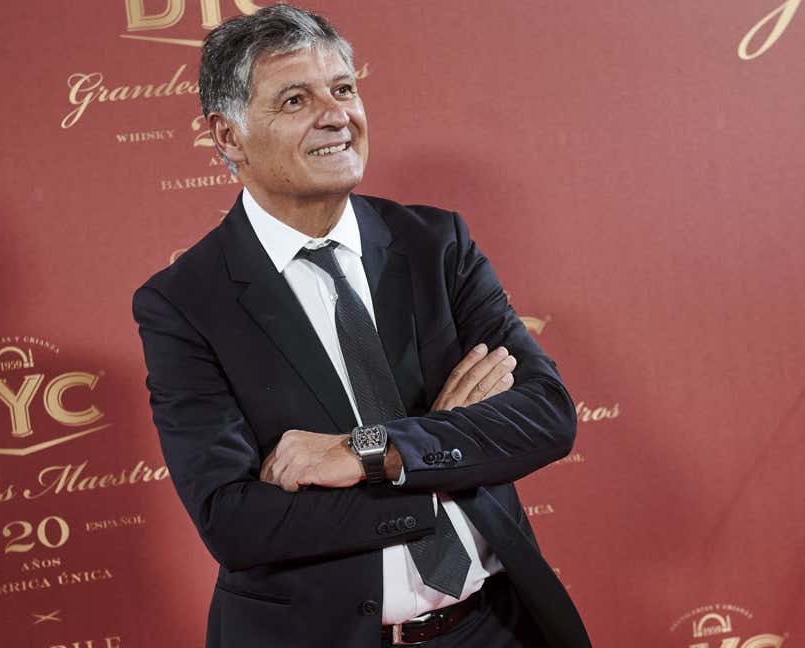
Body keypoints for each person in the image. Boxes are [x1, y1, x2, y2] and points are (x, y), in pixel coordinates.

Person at [132, 5, 591, 647]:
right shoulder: (183, 303)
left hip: (496, 627)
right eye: (295, 99)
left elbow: (546, 416)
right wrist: (442, 458)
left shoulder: (436, 244)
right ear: (228, 137)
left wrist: (364, 452)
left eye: (343, 88)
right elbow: (235, 522)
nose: (336, 115)